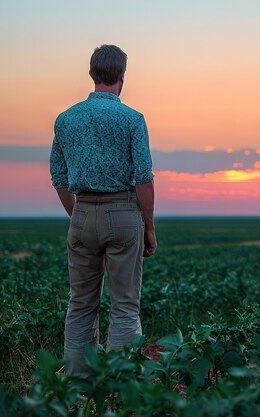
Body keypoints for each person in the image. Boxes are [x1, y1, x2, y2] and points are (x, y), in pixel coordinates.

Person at [49, 44, 156, 375]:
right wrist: (148, 226)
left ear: (92, 74)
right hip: (124, 214)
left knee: (80, 305)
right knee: (124, 305)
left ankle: (76, 386)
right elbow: (143, 178)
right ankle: (120, 386)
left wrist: (78, 215)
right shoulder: (132, 119)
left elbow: (59, 177)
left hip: (82, 214)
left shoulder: (65, 119)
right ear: (122, 76)